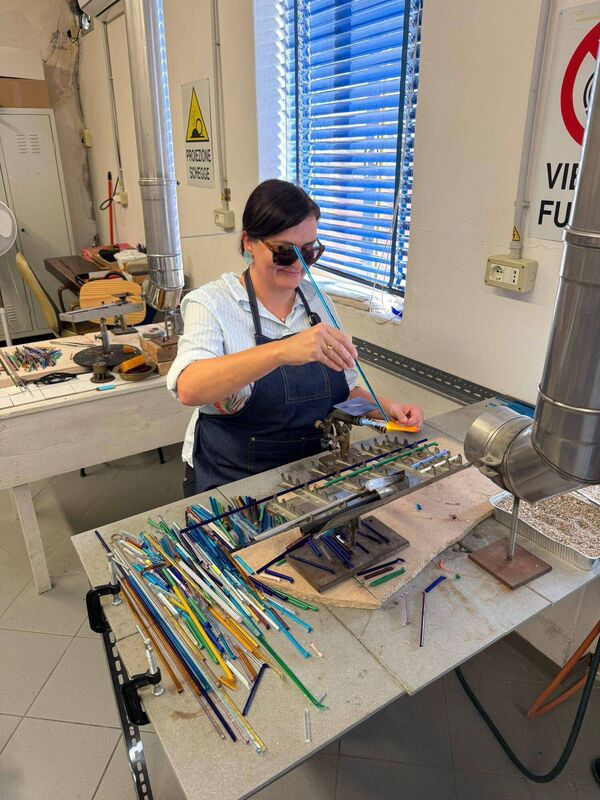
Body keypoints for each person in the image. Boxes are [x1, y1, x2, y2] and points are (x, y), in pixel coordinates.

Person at [168, 179, 424, 496]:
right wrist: (281, 351)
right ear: (249, 242)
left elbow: (345, 391)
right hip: (231, 477)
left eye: (309, 251)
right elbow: (189, 388)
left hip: (307, 474)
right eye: (285, 252)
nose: (299, 265)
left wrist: (388, 409)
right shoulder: (211, 303)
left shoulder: (317, 302)